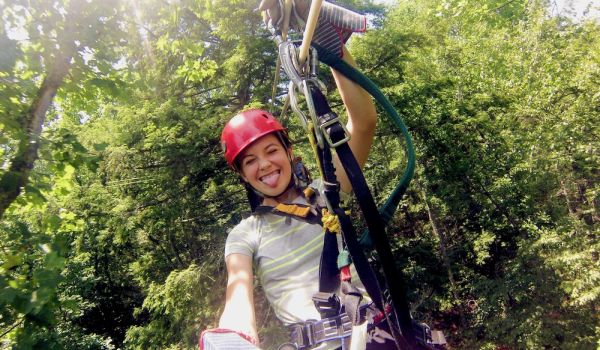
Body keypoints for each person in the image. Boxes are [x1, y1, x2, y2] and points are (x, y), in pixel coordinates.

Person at [213, 43, 388, 350]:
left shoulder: (326, 192)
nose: (264, 164)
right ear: (242, 175)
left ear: (288, 152)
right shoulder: (245, 235)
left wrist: (334, 49)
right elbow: (237, 289)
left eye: (271, 151)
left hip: (375, 337)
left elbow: (363, 124)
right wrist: (237, 334)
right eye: (250, 161)